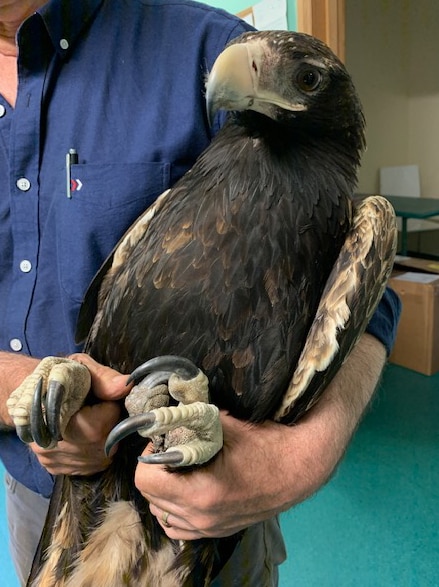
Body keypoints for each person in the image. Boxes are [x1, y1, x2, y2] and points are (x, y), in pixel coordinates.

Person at [0, 0, 401, 585]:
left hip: (210, 509)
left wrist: (298, 458)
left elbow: (360, 295)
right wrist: (23, 392)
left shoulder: (210, 51)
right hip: (36, 500)